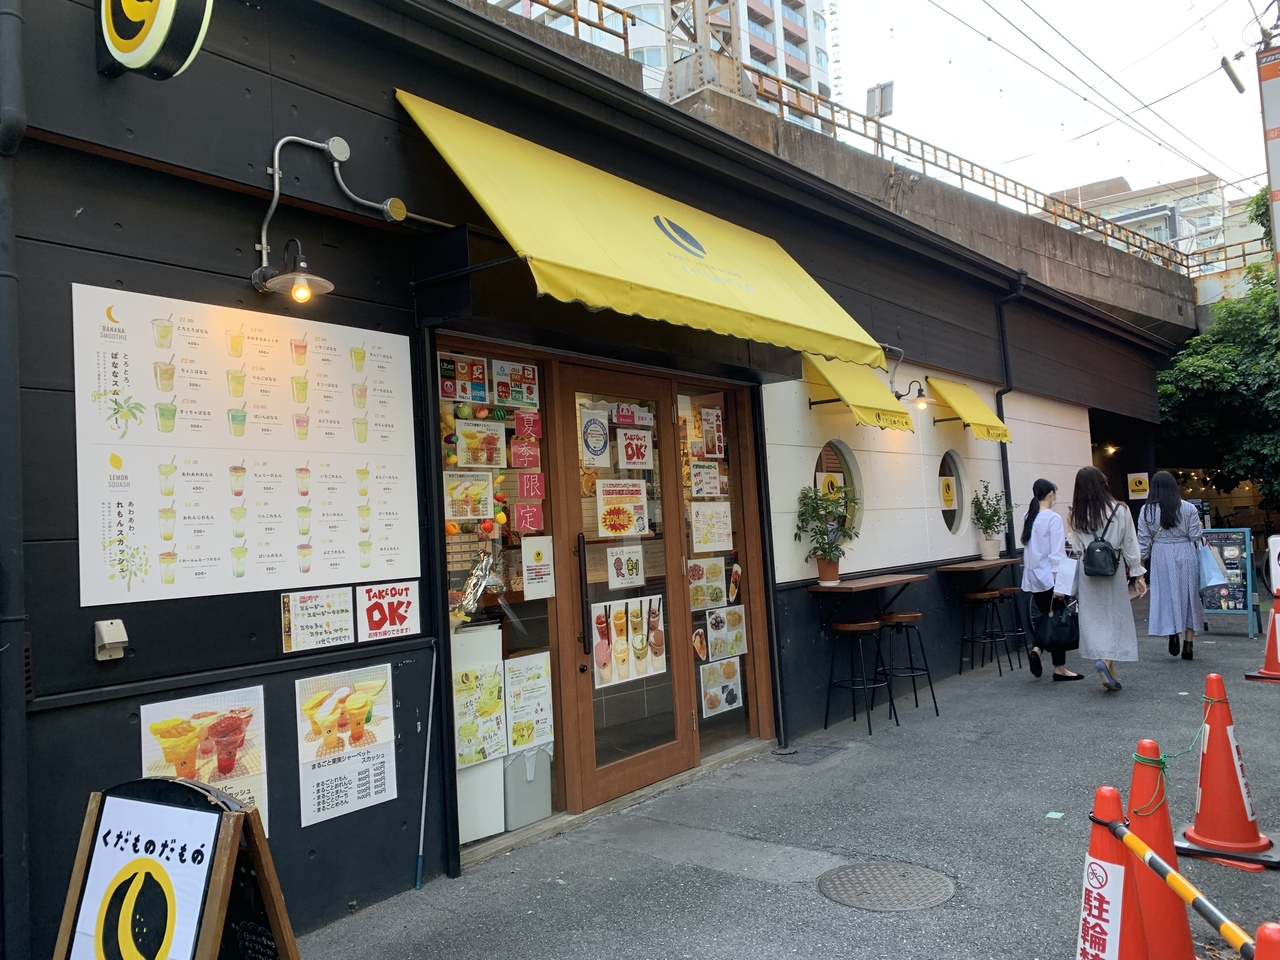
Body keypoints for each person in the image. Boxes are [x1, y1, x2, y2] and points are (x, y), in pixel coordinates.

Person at [1067, 466, 1147, 691]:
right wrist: (1138, 575)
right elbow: (1130, 543)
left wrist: (1069, 526)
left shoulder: (1076, 514)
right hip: (1113, 569)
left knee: (1094, 618)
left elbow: (1076, 549)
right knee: (1115, 615)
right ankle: (1107, 662)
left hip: (1088, 571)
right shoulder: (1119, 510)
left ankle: (1109, 670)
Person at [1020, 478, 1082, 680]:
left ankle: (1041, 654)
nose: (1056, 497)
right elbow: (1057, 553)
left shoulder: (1028, 516)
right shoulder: (1052, 518)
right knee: (1058, 619)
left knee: (1047, 618)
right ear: (1050, 494)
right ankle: (1056, 666)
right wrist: (1060, 582)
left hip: (1033, 577)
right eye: (1055, 493)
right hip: (1050, 576)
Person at [1137, 470, 1203, 660]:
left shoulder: (1147, 510)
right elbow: (1194, 536)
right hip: (1185, 552)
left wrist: (1139, 571)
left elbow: (1143, 542)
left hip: (1160, 554)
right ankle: (1188, 644)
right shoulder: (1189, 508)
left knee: (1165, 595)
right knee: (1189, 596)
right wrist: (1199, 526)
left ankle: (1172, 633)